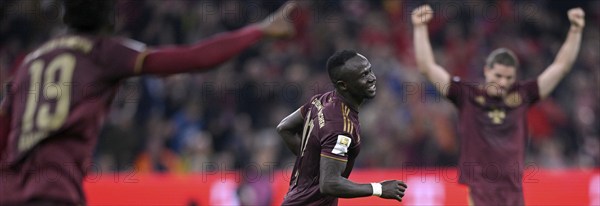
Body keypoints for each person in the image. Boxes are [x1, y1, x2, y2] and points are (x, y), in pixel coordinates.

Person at [0, 0, 296, 205]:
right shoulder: (105, 51)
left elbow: (3, 130)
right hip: (53, 193)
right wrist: (258, 30)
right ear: (109, 17)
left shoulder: (29, 63)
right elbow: (193, 58)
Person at [411, 4, 585, 205]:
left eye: (508, 77)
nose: (502, 82)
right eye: (498, 76)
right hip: (481, 191)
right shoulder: (467, 95)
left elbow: (560, 67)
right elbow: (427, 68)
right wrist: (420, 28)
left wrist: (575, 30)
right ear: (486, 71)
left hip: (513, 192)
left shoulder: (523, 95)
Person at [277, 50, 407, 205]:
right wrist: (378, 189)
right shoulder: (340, 126)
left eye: (370, 70)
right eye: (363, 76)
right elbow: (330, 184)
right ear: (343, 85)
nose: (372, 78)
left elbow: (284, 127)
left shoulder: (321, 100)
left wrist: (312, 163)